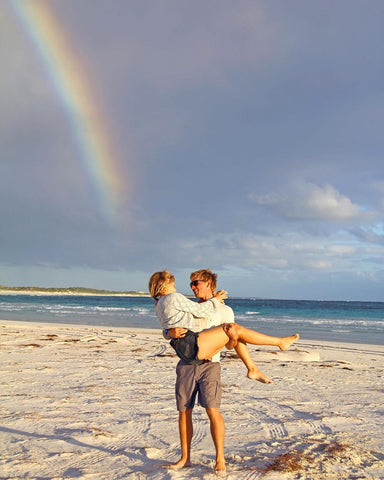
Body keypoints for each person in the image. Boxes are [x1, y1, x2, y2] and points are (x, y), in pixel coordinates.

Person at [149, 270, 299, 367]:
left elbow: (229, 345)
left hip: (198, 357)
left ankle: (259, 362)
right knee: (234, 329)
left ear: (208, 284)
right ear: (164, 285)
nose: (191, 287)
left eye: (195, 283)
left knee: (234, 329)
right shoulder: (180, 301)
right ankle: (278, 342)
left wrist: (168, 333)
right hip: (191, 351)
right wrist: (215, 300)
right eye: (191, 284)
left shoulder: (160, 304)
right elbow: (199, 312)